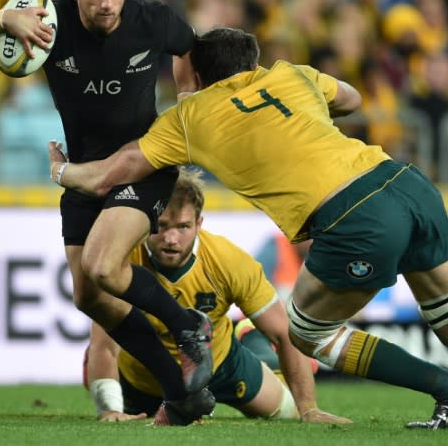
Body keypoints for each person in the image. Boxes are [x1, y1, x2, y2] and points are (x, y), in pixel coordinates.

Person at [48, 27, 448, 430]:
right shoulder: (293, 74)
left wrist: (64, 170)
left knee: (309, 334)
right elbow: (355, 97)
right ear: (254, 64)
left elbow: (113, 173)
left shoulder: (190, 116)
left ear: (200, 78)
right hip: (402, 181)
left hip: (350, 217)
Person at [0, 0, 215, 425]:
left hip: (142, 167)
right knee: (87, 295)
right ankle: (180, 392)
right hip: (84, 172)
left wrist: (185, 102)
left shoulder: (151, 19)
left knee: (101, 266)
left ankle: (187, 326)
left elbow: (191, 50)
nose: (107, 2)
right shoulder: (50, 22)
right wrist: (3, 18)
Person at [82, 167, 350, 424]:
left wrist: (309, 409)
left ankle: (255, 349)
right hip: (143, 378)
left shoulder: (228, 261)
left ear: (199, 223)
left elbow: (284, 334)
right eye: (162, 226)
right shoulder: (119, 262)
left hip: (221, 365)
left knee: (288, 413)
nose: (171, 239)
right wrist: (109, 410)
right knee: (115, 405)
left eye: (183, 226)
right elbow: (103, 342)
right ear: (147, 219)